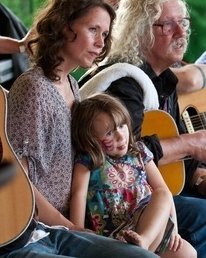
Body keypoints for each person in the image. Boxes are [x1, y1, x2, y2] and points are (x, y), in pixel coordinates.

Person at [0, 0, 158, 258]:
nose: (100, 43)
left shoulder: (71, 85)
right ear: (62, 27)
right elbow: (19, 182)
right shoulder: (34, 88)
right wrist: (72, 226)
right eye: (93, 30)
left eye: (105, 34)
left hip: (67, 223)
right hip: (35, 231)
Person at [79, 0, 206, 257]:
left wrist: (198, 178)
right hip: (118, 207)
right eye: (168, 25)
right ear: (142, 31)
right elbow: (123, 157)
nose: (182, 32)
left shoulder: (164, 80)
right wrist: (189, 143)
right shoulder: (125, 83)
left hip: (151, 195)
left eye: (182, 22)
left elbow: (179, 163)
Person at [70, 92, 196, 257]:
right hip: (115, 236)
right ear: (91, 139)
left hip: (149, 229)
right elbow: (78, 194)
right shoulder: (89, 160)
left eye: (122, 126)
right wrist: (78, 232)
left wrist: (174, 231)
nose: (120, 135)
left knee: (188, 253)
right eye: (109, 133)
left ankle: (141, 245)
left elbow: (162, 191)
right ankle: (140, 249)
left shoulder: (139, 152)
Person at [89, 0, 206, 95]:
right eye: (119, 9)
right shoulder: (118, 75)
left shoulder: (164, 72)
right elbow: (190, 80)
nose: (182, 33)